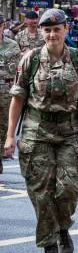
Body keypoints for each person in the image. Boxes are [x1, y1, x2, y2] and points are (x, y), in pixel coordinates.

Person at [3, 9, 78, 253]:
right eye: (46, 30)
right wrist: (9, 136)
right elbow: (18, 98)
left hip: (70, 132)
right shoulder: (31, 59)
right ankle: (49, 245)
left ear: (64, 29)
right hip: (37, 132)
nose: (51, 34)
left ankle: (62, 228)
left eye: (56, 29)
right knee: (40, 192)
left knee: (68, 189)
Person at [0, 18, 20, 174]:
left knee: (4, 127)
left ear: (3, 26)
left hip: (6, 91)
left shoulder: (12, 45)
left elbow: (15, 71)